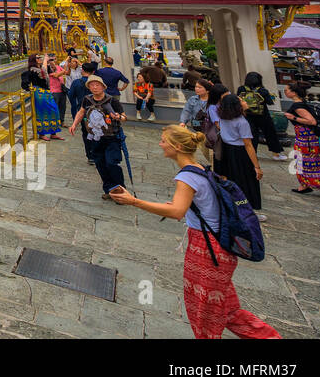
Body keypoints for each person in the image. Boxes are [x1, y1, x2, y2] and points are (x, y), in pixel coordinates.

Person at [110, 126, 280, 340]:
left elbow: (176, 211)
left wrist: (134, 201)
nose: (160, 144)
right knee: (226, 310)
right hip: (219, 246)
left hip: (207, 249)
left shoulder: (186, 177)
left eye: (164, 141)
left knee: (203, 313)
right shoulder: (199, 168)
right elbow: (196, 205)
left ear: (177, 147)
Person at [209, 92, 264, 221]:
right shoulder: (241, 122)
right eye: (241, 101)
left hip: (226, 151)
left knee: (231, 179)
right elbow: (248, 144)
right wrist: (257, 166)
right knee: (246, 182)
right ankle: (247, 210)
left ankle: (232, 207)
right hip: (240, 153)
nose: (245, 103)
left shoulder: (223, 118)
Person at [69, 75, 124, 199]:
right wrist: (74, 124)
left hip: (111, 138)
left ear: (103, 87)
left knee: (111, 163)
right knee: (100, 164)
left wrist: (118, 117)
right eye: (92, 85)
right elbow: (81, 111)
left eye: (97, 85)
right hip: (95, 138)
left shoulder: (112, 101)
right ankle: (109, 189)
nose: (94, 87)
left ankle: (120, 189)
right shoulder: (87, 99)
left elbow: (124, 117)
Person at [238, 71, 286, 160]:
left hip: (248, 115)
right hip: (263, 115)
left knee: (252, 135)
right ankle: (276, 154)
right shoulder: (262, 90)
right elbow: (270, 102)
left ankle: (252, 154)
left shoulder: (241, 89)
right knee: (270, 134)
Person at [24, 55, 62, 141]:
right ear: (34, 60)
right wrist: (31, 89)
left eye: (40, 58)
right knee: (41, 113)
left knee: (54, 110)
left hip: (47, 92)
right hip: (39, 93)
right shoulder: (31, 70)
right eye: (37, 58)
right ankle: (42, 134)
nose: (40, 59)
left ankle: (53, 133)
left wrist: (51, 62)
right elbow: (25, 83)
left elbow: (53, 71)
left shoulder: (43, 67)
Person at [68, 61, 98, 164]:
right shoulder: (97, 83)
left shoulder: (76, 82)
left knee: (86, 132)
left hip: (83, 112)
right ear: (93, 71)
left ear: (82, 70)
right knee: (98, 131)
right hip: (97, 111)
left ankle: (90, 155)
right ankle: (97, 153)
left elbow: (71, 96)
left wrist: (75, 108)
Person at [47, 53, 68, 125]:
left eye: (54, 59)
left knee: (63, 107)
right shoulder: (47, 69)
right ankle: (54, 122)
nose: (53, 61)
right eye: (51, 60)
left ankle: (62, 121)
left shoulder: (58, 67)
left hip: (61, 89)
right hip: (54, 90)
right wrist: (64, 69)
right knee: (54, 107)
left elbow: (66, 73)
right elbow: (56, 75)